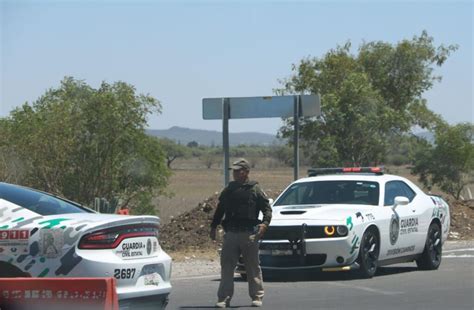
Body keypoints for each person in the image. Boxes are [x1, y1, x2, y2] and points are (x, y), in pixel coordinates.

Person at [210, 158, 272, 308]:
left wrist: (265, 224)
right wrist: (213, 226)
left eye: (239, 171)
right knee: (227, 267)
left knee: (252, 267)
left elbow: (267, 209)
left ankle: (257, 296)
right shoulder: (229, 190)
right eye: (234, 171)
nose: (235, 173)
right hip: (231, 234)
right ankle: (224, 298)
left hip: (249, 234)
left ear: (246, 172)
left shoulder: (255, 189)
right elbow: (220, 210)